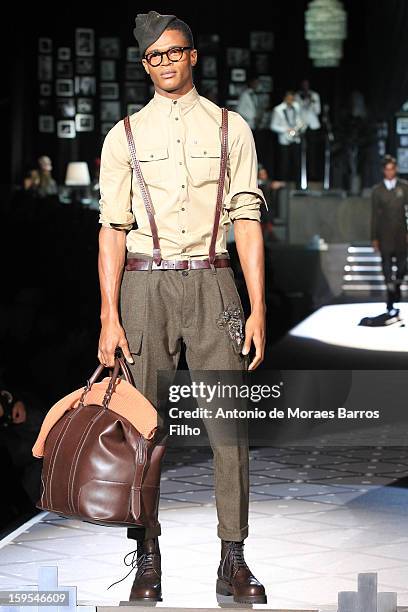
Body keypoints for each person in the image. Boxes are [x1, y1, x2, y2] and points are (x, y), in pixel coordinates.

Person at [97, 10, 267, 605]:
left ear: (192, 54)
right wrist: (108, 316)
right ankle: (146, 559)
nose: (165, 63)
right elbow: (112, 230)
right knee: (143, 432)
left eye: (174, 53)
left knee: (229, 429)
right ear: (144, 64)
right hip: (144, 289)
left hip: (214, 283)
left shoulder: (230, 128)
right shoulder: (124, 135)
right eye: (154, 57)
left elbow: (246, 219)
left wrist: (258, 306)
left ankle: (234, 558)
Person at [371, 155, 408, 310]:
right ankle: (390, 291)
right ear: (383, 171)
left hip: (401, 233)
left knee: (402, 265)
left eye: (392, 169)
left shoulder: (404, 187)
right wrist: (374, 237)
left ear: (396, 170)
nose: (390, 172)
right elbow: (374, 215)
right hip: (384, 233)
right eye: (387, 169)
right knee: (386, 264)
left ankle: (397, 285)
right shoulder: (377, 190)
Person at [270, 91, 305, 186]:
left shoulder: (296, 107)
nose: (291, 101)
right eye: (289, 99)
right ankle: (284, 184)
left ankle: (298, 184)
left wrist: (298, 127)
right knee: (284, 163)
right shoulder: (278, 110)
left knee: (297, 162)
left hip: (295, 138)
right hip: (284, 139)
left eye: (292, 99)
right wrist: (286, 129)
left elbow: (298, 119)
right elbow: (273, 126)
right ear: (285, 98)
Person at [295, 79, 321, 180]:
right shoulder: (298, 96)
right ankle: (300, 176)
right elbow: (298, 110)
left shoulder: (314, 95)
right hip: (301, 126)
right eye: (303, 85)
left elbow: (318, 111)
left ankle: (313, 175)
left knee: (312, 152)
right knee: (301, 152)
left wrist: (311, 102)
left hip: (313, 126)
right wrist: (304, 101)